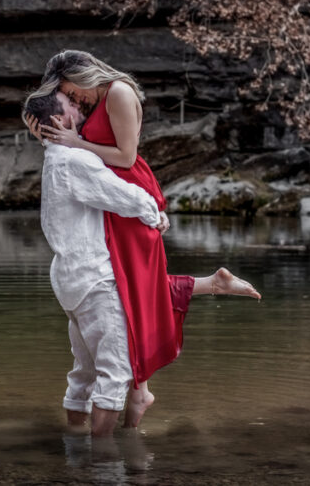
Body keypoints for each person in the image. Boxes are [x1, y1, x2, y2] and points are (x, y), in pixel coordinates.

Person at [26, 51, 260, 428]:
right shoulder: (87, 110)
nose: (73, 100)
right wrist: (61, 138)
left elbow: (125, 155)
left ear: (81, 75)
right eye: (66, 98)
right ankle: (139, 393)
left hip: (128, 190)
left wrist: (74, 142)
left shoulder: (117, 92)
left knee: (132, 289)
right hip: (108, 197)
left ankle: (134, 400)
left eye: (69, 92)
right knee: (131, 289)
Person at [24, 89, 166, 437]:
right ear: (61, 120)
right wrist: (155, 214)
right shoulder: (75, 161)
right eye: (71, 103)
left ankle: (74, 440)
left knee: (84, 370)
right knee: (115, 372)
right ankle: (103, 458)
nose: (79, 105)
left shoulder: (55, 158)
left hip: (69, 279)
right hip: (94, 279)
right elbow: (124, 196)